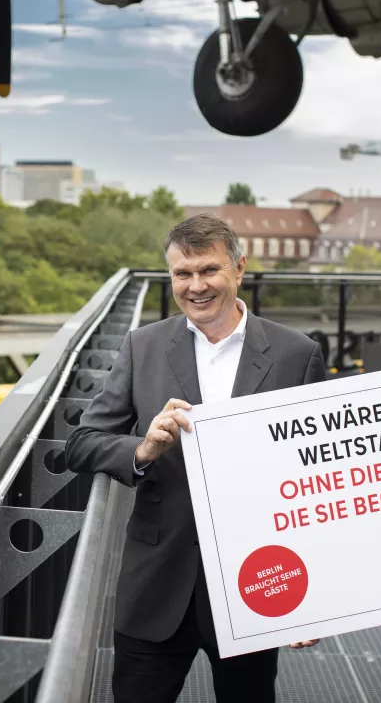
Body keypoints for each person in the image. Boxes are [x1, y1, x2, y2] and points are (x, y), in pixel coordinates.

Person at [65, 213, 331, 702]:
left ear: (239, 269)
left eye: (209, 270)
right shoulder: (141, 346)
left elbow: (321, 473)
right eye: (182, 274)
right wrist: (142, 448)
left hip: (255, 585)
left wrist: (311, 602)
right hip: (155, 585)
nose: (195, 286)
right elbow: (81, 443)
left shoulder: (297, 354)